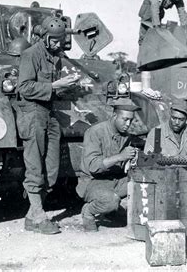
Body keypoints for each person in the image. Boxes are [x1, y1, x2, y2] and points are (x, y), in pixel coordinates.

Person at [16, 16, 80, 234]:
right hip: (32, 113)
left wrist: (67, 86)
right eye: (53, 40)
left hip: (49, 113)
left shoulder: (56, 57)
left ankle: (31, 216)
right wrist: (54, 85)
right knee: (35, 166)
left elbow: (52, 89)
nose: (57, 44)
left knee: (52, 170)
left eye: (60, 40)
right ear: (44, 37)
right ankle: (39, 214)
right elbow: (24, 87)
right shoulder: (30, 54)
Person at [77, 96, 140, 232]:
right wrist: (120, 157)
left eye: (131, 120)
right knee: (111, 201)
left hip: (114, 180)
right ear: (114, 116)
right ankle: (88, 211)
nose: (128, 124)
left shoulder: (126, 135)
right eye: (125, 119)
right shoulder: (95, 132)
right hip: (93, 182)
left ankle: (112, 212)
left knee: (140, 185)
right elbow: (93, 167)